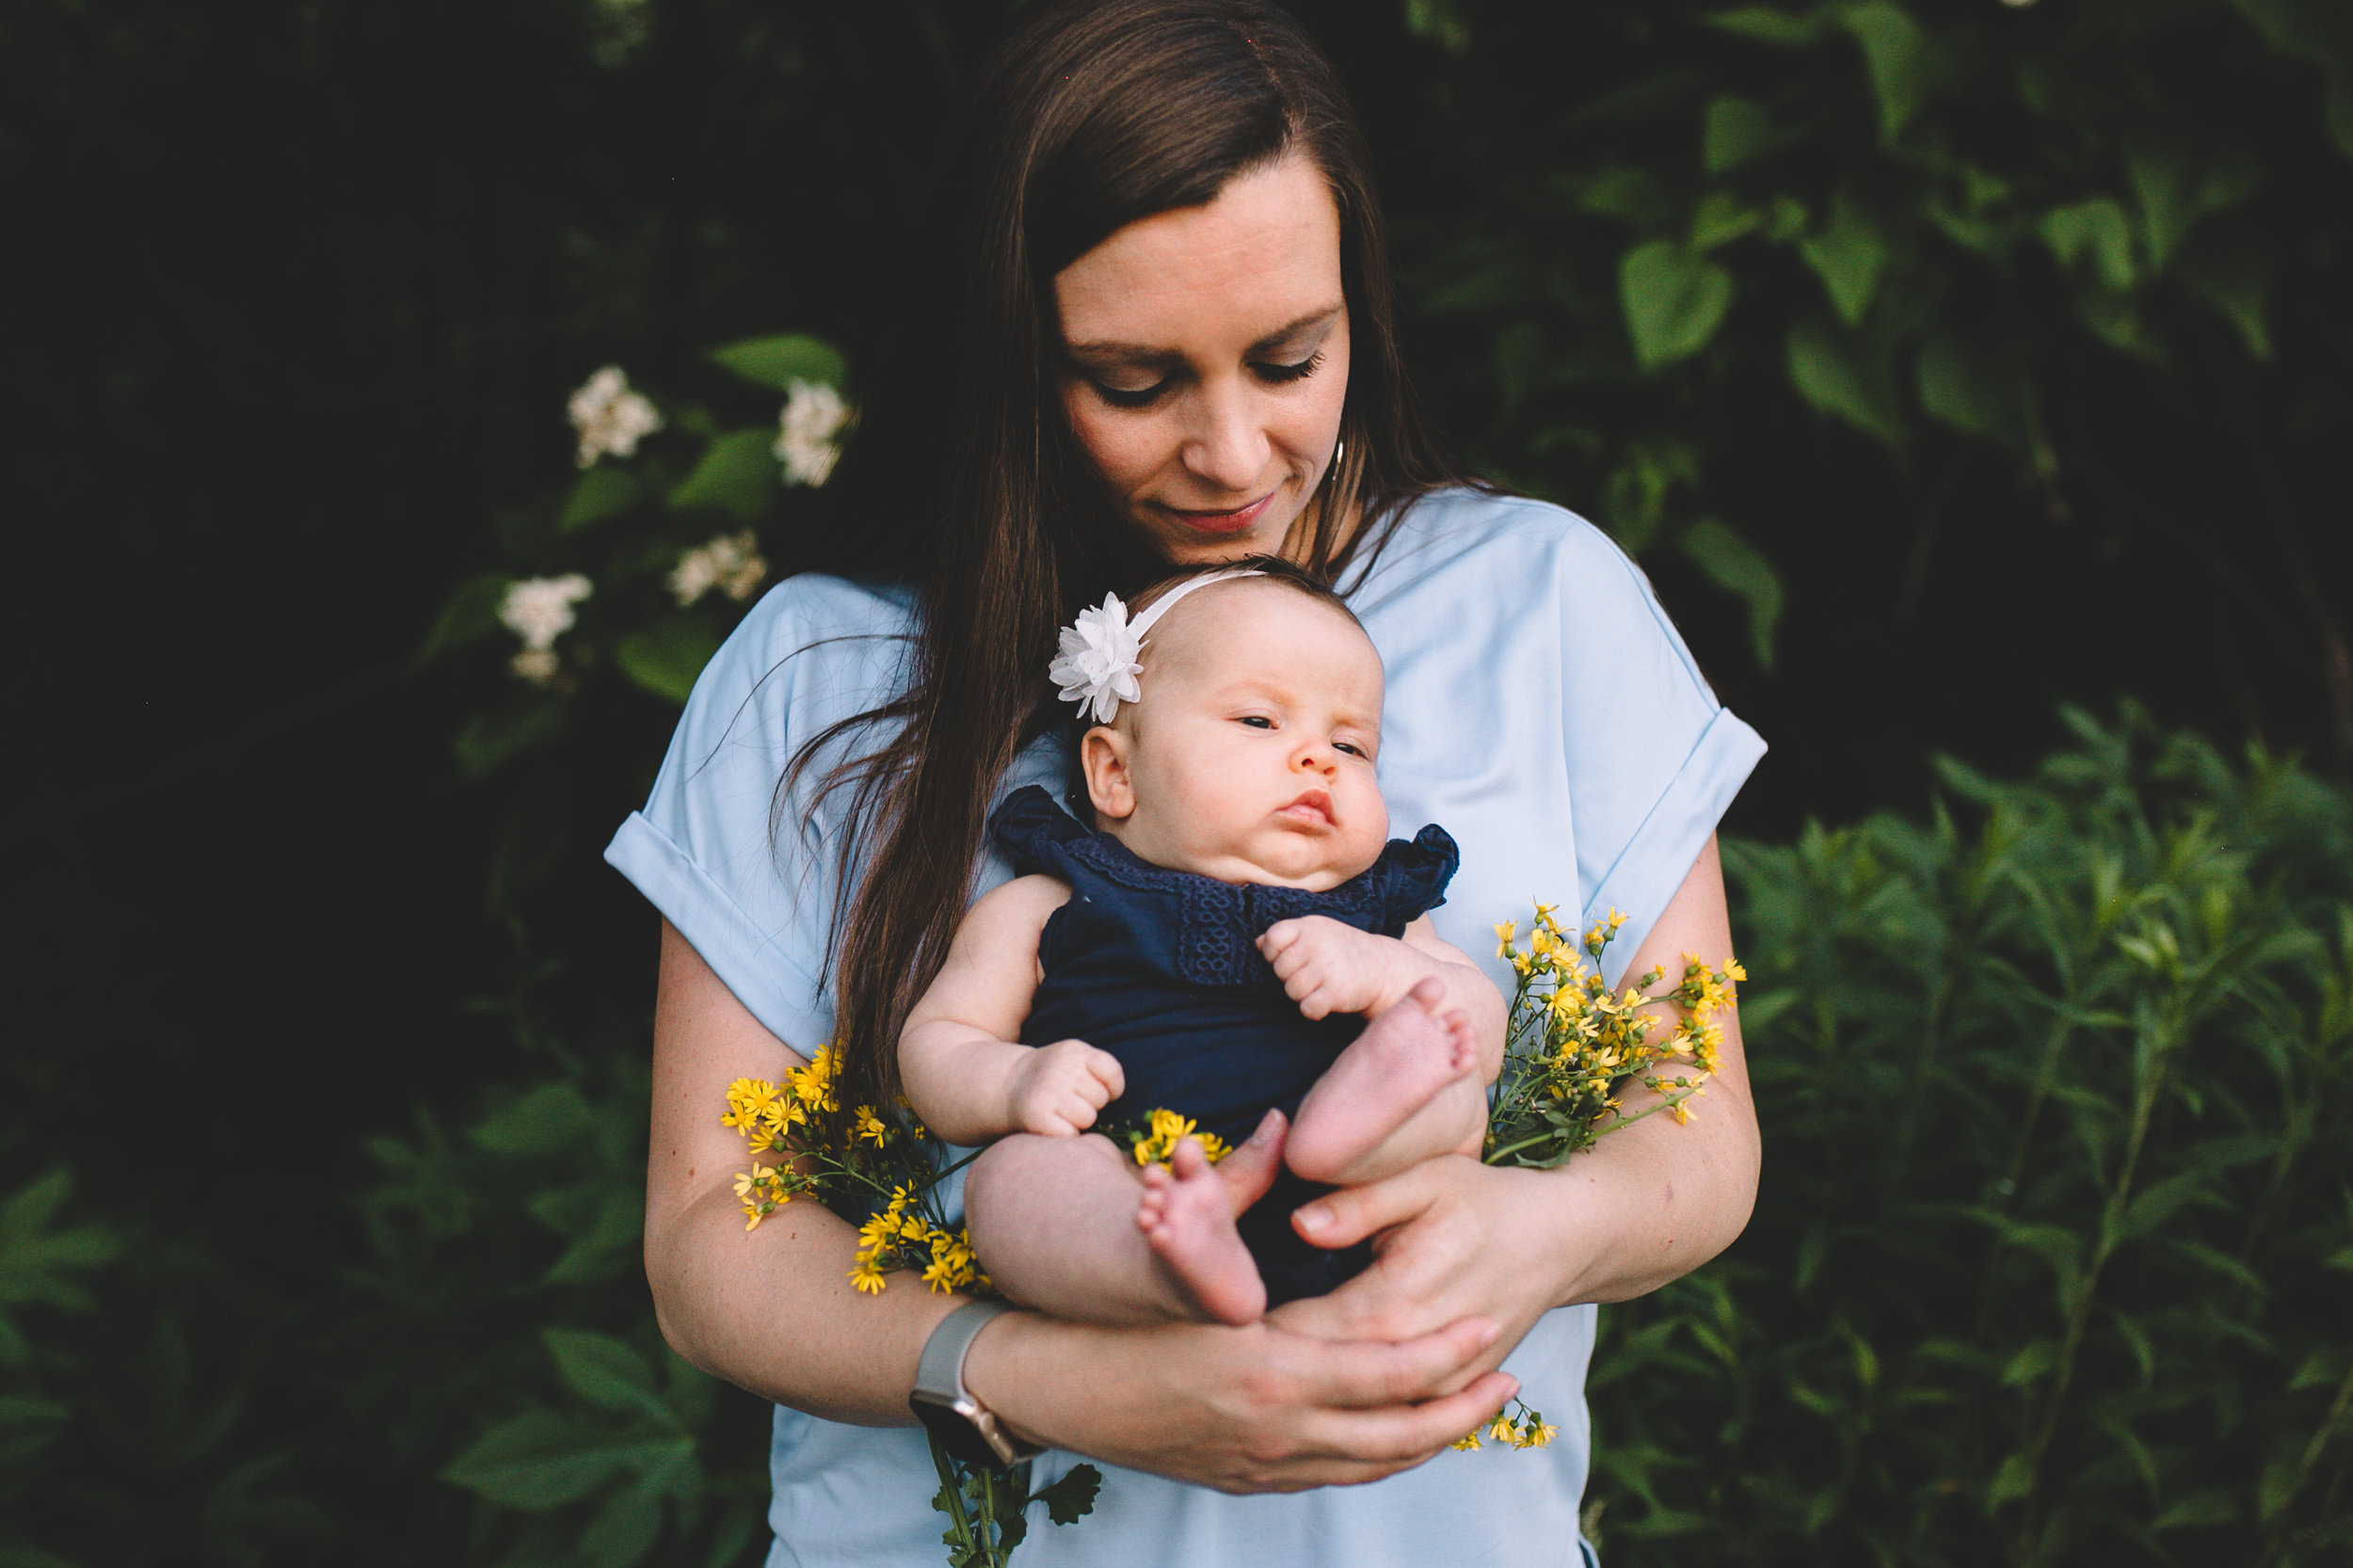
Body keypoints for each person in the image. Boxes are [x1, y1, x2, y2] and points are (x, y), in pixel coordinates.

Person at [605, 1, 1766, 1562]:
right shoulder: (823, 678)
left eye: (1292, 357)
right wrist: (1037, 1373)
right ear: (1009, 358)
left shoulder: (1544, 603)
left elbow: (1693, 1133)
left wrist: (1537, 1231)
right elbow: (707, 1239)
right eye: (1136, 381)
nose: (1235, 455)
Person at [903, 564, 1505, 1329]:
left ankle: (1344, 1128)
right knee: (1013, 1183)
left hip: (1353, 1197)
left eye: (1351, 746)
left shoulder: (1384, 917)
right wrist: (1016, 1082)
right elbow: (938, 1043)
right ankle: (1163, 1257)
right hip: (1133, 1176)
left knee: (1448, 1090)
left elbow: (1480, 1041)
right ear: (1115, 773)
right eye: (1260, 721)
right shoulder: (1051, 902)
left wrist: (1393, 977)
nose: (1318, 758)